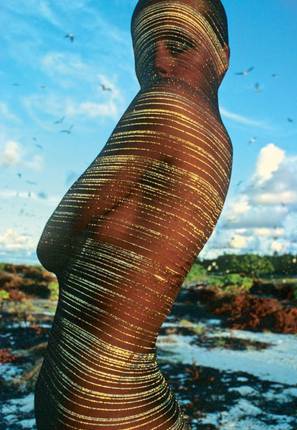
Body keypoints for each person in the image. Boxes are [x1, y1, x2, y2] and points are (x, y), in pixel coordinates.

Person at [34, 1, 231, 428]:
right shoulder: (219, 143)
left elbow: (50, 243)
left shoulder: (165, 106)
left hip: (102, 400)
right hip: (125, 396)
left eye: (177, 44)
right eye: (146, 51)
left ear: (222, 56)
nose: (158, 61)